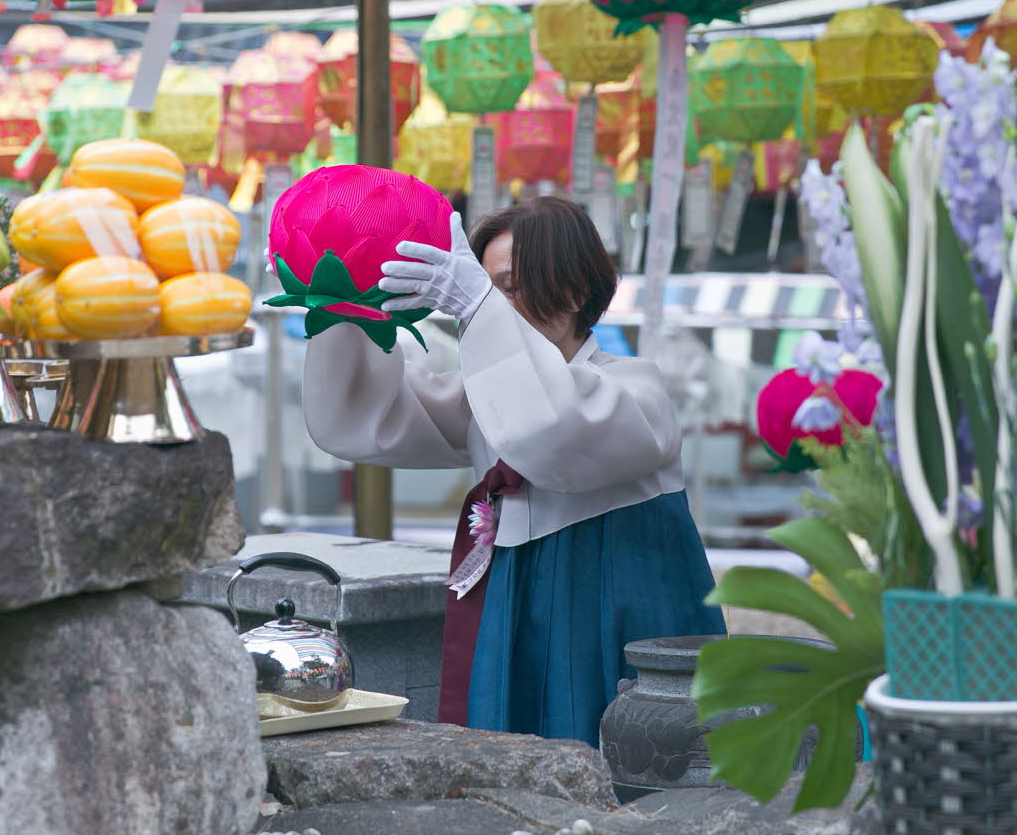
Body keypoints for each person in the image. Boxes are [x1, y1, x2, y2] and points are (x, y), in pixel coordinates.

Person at [301, 196, 724, 745]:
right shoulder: (492, 395)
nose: (491, 305)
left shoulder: (637, 389)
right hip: (513, 609)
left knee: (626, 766)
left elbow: (551, 434)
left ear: (575, 290)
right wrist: (345, 306)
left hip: (614, 621)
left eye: (510, 286)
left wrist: (479, 306)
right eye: (485, 288)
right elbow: (362, 417)